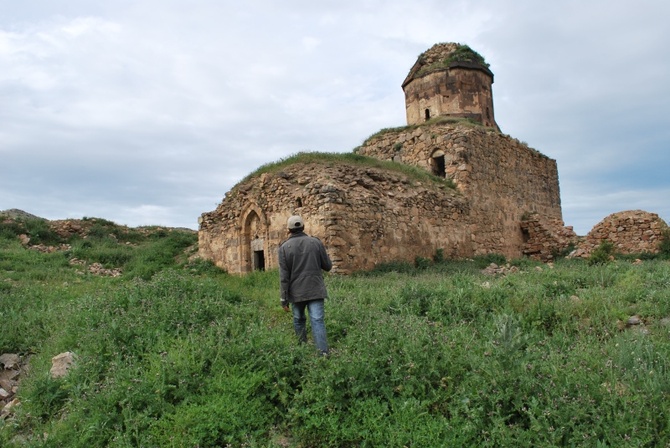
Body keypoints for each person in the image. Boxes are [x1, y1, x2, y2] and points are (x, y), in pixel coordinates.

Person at [278, 215, 333, 355]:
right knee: (317, 320)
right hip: (315, 289)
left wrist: (283, 298)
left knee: (298, 320)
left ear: (289, 229)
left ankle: (301, 350)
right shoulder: (315, 242)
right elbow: (327, 266)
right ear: (303, 227)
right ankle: (323, 354)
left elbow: (284, 277)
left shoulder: (284, 248)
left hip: (297, 293)